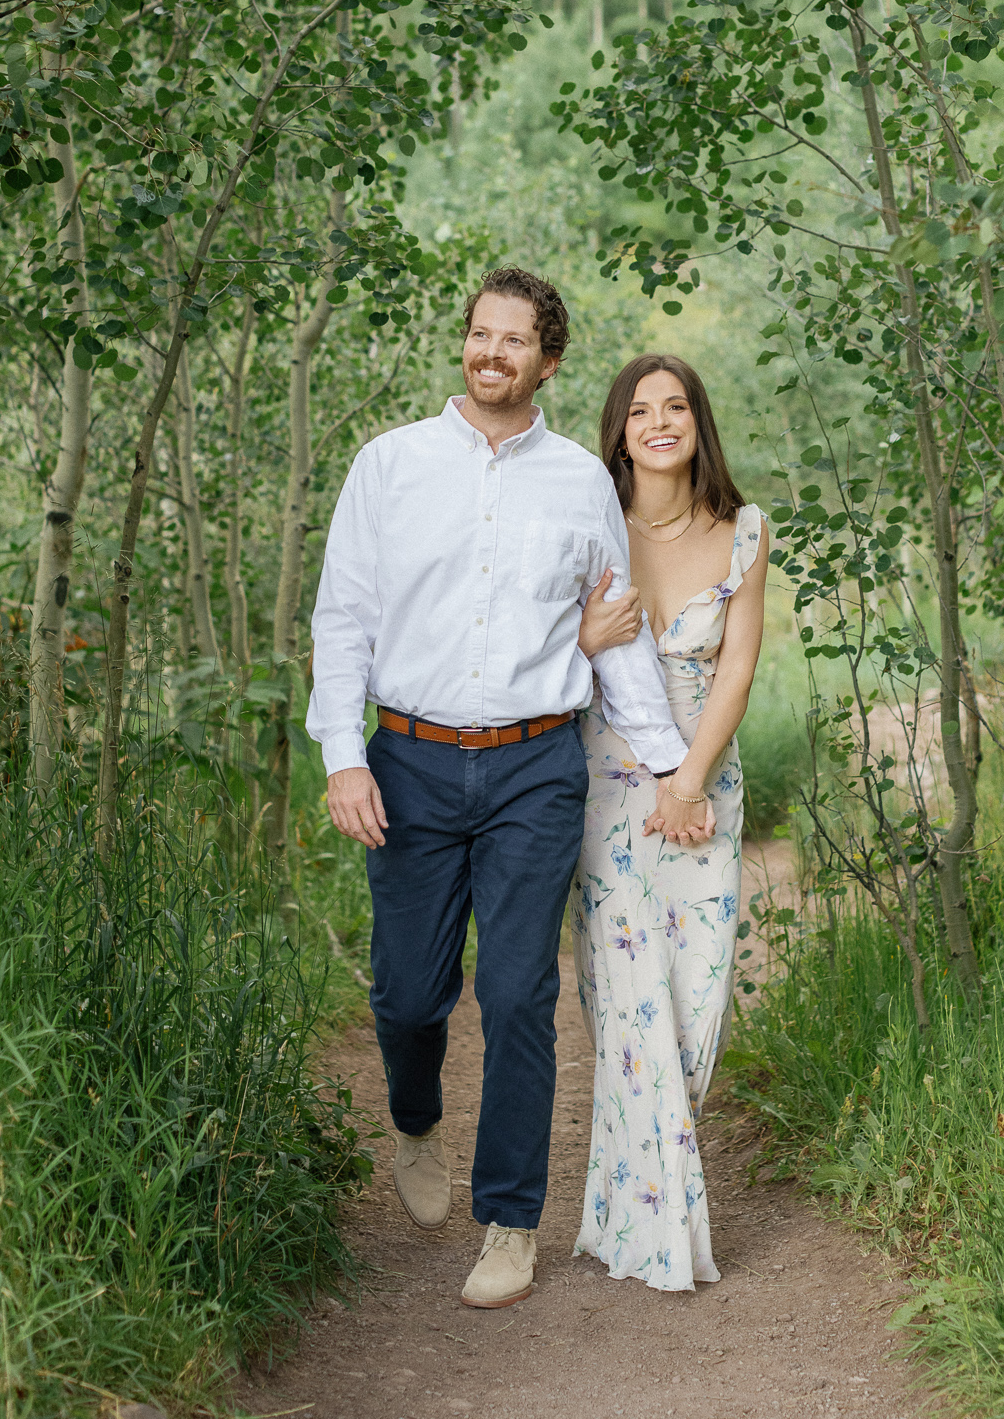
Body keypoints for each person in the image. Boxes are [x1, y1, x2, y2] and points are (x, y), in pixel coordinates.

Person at [307, 269, 692, 1309]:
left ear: (547, 360)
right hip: (408, 760)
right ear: (465, 345)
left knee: (521, 990)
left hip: (535, 765)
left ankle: (511, 1220)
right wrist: (343, 754)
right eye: (479, 334)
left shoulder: (577, 482)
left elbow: (613, 639)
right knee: (407, 991)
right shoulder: (387, 466)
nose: (492, 352)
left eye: (514, 340)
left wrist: (670, 769)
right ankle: (415, 1116)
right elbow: (342, 618)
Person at [570, 353, 769, 1290]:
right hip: (608, 789)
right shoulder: (585, 527)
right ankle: (653, 1230)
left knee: (693, 998)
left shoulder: (745, 532)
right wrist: (581, 640)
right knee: (627, 996)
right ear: (619, 430)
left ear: (697, 422)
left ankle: (640, 1196)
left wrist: (689, 782)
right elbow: (537, 654)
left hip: (704, 789)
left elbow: (735, 668)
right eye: (641, 409)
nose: (660, 421)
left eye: (676, 405)